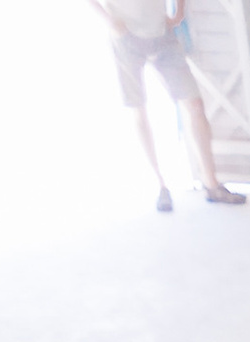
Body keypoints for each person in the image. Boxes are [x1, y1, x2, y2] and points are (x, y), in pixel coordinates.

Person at [88, 0, 242, 212]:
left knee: (194, 104)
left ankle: (212, 184)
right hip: (125, 37)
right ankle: (160, 186)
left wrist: (179, 11)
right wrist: (109, 20)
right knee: (139, 109)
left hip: (162, 33)